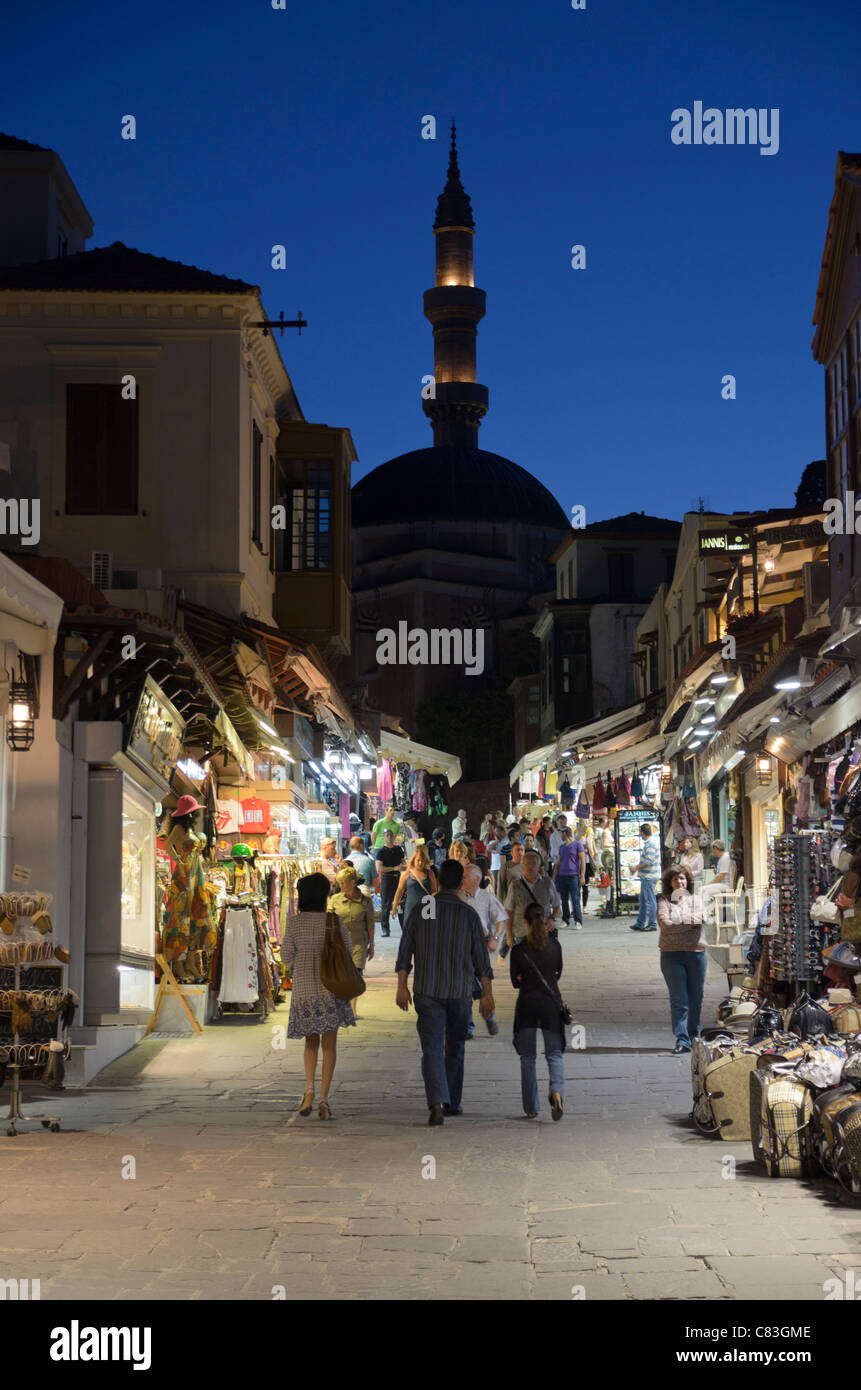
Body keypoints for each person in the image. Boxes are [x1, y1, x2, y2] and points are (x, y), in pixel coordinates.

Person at [395, 858, 494, 1125]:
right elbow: (481, 960)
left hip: (427, 991)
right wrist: (487, 993)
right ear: (460, 881)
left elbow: (405, 949)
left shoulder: (423, 908)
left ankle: (437, 1101)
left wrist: (401, 985)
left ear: (437, 879)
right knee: (455, 1045)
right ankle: (452, 1101)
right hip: (459, 991)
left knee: (432, 1047)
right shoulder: (467, 913)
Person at [282, 871, 355, 1119]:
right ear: (324, 895)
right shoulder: (334, 922)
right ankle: (324, 1100)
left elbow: (286, 958)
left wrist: (302, 962)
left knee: (310, 1042)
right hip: (331, 990)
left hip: (304, 990)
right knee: (330, 1045)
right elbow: (348, 952)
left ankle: (309, 1090)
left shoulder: (294, 922)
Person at [510, 903, 565, 1121]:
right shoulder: (555, 946)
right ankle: (557, 1092)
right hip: (550, 1004)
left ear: (525, 922)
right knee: (554, 1054)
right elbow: (557, 973)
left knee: (528, 1058)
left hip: (527, 1005)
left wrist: (525, 978)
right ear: (544, 921)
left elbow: (516, 981)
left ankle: (531, 1106)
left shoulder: (519, 950)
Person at [657, 865, 707, 1054]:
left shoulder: (697, 900)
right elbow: (666, 925)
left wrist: (678, 922)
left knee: (697, 998)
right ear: (670, 882)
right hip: (671, 955)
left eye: (683, 878)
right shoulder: (664, 901)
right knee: (679, 999)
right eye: (676, 879)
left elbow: (702, 918)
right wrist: (689, 923)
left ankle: (694, 1036)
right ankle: (682, 1039)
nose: (680, 882)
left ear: (688, 881)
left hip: (696, 953)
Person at [459, 862, 506, 1036]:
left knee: (484, 982)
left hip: (480, 945)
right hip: (461, 947)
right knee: (465, 986)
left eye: (465, 876)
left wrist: (495, 938)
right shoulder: (458, 897)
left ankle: (489, 1016)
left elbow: (500, 919)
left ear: (476, 880)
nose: (462, 879)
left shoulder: (487, 898)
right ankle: (468, 1027)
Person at [329, 866, 375, 1018]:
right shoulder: (335, 900)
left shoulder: (366, 901)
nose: (340, 886)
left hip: (358, 943)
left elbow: (370, 924)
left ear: (353, 882)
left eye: (343, 883)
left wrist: (372, 946)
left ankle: (352, 1008)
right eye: (339, 883)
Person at [504, 848, 561, 951]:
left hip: (544, 932)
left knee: (544, 962)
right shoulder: (515, 885)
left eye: (534, 863)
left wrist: (552, 919)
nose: (530, 866)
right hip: (522, 933)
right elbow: (508, 911)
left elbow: (557, 906)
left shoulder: (547, 883)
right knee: (524, 964)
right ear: (522, 866)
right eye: (527, 863)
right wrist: (509, 935)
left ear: (539, 867)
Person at [392, 844, 438, 924]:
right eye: (418, 860)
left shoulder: (430, 873)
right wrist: (394, 907)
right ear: (413, 860)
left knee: (426, 933)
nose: (420, 863)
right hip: (411, 908)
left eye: (423, 861)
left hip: (427, 908)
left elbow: (434, 891)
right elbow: (399, 891)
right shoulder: (406, 874)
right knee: (410, 932)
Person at [552, 827, 586, 929]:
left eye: (561, 833)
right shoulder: (562, 847)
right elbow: (557, 863)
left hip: (573, 875)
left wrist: (582, 875)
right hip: (562, 875)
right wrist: (553, 877)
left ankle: (578, 921)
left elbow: (583, 860)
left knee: (575, 899)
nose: (560, 836)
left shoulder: (577, 844)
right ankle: (565, 920)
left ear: (565, 833)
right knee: (564, 900)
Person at [375, 829, 405, 937]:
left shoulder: (398, 849)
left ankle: (404, 927)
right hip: (387, 879)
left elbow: (403, 862)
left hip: (399, 879)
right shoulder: (381, 851)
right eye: (387, 835)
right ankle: (385, 929)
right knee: (386, 905)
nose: (389, 837)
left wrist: (404, 867)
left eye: (391, 835)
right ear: (383, 838)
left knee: (401, 904)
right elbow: (379, 868)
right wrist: (394, 868)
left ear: (394, 837)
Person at [632, 822, 661, 931]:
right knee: (643, 900)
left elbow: (649, 861)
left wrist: (636, 868)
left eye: (640, 832)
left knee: (649, 900)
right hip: (647, 875)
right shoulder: (650, 843)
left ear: (643, 833)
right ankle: (640, 923)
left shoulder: (651, 844)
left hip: (649, 876)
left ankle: (652, 924)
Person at [576, 819, 597, 912]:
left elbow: (591, 845)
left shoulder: (581, 838)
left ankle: (583, 906)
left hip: (584, 863)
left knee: (582, 886)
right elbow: (589, 845)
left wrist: (593, 852)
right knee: (580, 886)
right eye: (584, 828)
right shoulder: (576, 838)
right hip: (581, 863)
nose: (585, 830)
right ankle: (580, 907)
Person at [498, 839, 525, 914]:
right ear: (512, 853)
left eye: (522, 850)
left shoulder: (527, 866)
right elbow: (501, 887)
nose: (520, 852)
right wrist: (500, 905)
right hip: (510, 903)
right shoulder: (506, 866)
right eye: (517, 850)